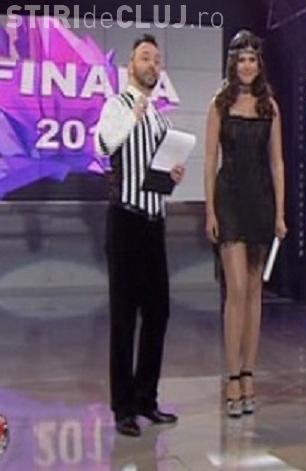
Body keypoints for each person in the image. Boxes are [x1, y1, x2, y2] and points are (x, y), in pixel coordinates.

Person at [95, 34, 184, 436]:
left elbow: (156, 178)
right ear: (131, 66)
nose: (152, 64)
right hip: (125, 221)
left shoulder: (162, 120)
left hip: (153, 222)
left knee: (158, 312)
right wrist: (132, 116)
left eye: (156, 59)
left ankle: (147, 398)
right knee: (123, 316)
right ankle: (123, 407)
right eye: (145, 57)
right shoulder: (116, 106)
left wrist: (172, 177)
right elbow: (103, 145)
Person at [204, 30, 287, 418]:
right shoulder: (219, 105)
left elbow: (277, 164)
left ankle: (249, 373)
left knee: (254, 291)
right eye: (242, 59)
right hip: (230, 199)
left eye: (253, 59)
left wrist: (281, 213)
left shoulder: (270, 107)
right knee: (235, 289)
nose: (248, 66)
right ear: (233, 63)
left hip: (260, 201)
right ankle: (232, 375)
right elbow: (209, 161)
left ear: (259, 64)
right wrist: (210, 211)